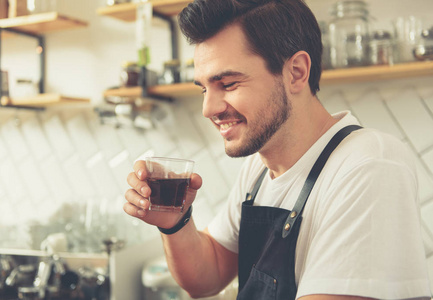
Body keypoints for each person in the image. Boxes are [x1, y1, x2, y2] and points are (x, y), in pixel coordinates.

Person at [124, 0, 431, 299]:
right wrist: (174, 221)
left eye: (228, 84)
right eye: (205, 89)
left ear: (296, 72)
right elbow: (208, 275)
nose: (208, 109)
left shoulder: (368, 165)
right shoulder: (259, 169)